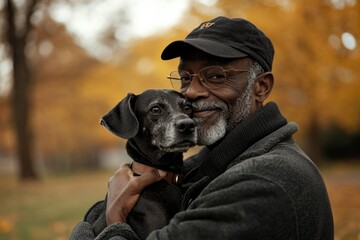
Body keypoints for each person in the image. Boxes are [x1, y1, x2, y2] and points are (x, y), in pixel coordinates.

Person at [70, 16, 334, 240]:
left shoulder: (266, 180)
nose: (191, 92)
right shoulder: (217, 157)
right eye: (185, 78)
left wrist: (114, 219)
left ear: (261, 87)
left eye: (216, 76)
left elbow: (101, 215)